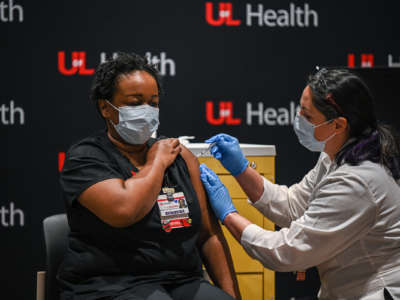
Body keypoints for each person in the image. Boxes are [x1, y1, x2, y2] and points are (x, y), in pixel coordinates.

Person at [200, 68, 400, 300]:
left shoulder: (358, 180)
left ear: (338, 125)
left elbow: (288, 251)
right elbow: (294, 206)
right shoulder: (336, 153)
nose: (298, 120)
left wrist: (229, 215)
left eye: (307, 116)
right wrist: (241, 170)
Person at [58, 52, 241, 300]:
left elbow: (208, 235)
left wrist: (231, 295)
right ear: (105, 107)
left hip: (180, 281)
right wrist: (156, 161)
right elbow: (125, 209)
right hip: (109, 284)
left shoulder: (180, 156)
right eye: (134, 103)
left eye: (153, 103)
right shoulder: (87, 158)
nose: (146, 111)